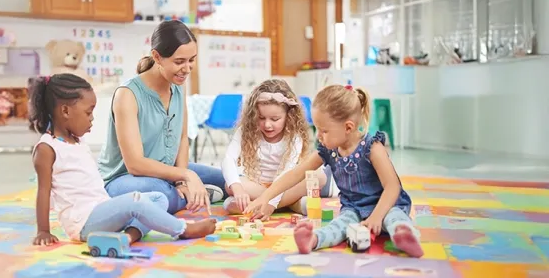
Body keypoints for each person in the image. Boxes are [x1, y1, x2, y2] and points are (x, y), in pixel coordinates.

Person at [28, 74, 216, 246]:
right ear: (65, 111)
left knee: (158, 199)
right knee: (136, 201)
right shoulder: (46, 149)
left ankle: (128, 236)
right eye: (88, 112)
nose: (92, 119)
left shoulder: (76, 142)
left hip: (100, 210)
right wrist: (43, 231)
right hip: (83, 222)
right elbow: (43, 192)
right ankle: (183, 230)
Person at [243, 84, 423, 258]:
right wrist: (264, 197)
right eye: (317, 129)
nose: (318, 136)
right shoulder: (328, 150)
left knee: (395, 219)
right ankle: (313, 240)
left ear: (348, 127)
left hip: (387, 206)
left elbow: (392, 187)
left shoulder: (373, 148)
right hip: (354, 209)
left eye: (323, 131)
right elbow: (296, 174)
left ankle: (405, 236)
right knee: (339, 225)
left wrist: (377, 217)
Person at [98, 20, 226, 215]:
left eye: (191, 60)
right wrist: (185, 174)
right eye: (179, 61)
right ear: (157, 57)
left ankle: (195, 195)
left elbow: (182, 138)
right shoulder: (128, 95)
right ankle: (197, 196)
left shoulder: (178, 86)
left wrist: (182, 180)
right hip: (124, 178)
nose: (187, 68)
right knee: (161, 195)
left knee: (229, 180)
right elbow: (135, 164)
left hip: (168, 172)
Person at [221, 79, 334, 220]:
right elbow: (228, 159)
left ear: (289, 116)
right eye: (261, 118)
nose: (267, 125)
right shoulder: (245, 132)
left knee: (320, 177)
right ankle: (293, 204)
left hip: (286, 185)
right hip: (257, 184)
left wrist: (271, 204)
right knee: (229, 185)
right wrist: (237, 188)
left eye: (275, 119)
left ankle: (257, 205)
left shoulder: (294, 137)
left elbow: (289, 172)